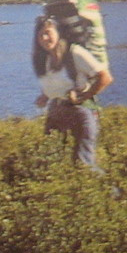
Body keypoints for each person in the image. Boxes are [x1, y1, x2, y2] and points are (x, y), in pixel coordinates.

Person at [32, 15, 112, 169]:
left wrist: (84, 96)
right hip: (56, 111)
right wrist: (44, 97)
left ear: (59, 33)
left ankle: (112, 193)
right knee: (50, 161)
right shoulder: (48, 59)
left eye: (48, 33)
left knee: (83, 164)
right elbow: (58, 85)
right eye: (40, 34)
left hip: (80, 112)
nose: (44, 38)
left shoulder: (75, 53)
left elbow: (105, 77)